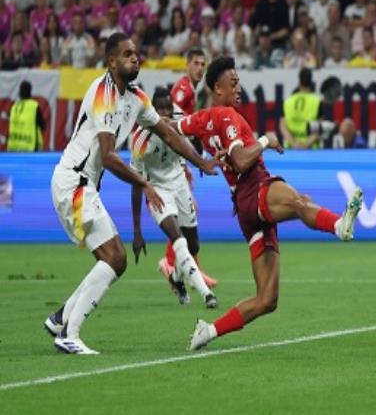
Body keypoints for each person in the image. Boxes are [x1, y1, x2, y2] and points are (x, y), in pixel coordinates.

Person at [43, 33, 217, 355]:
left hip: (84, 184)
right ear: (111, 61)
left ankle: (60, 319)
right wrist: (145, 184)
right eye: (126, 54)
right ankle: (70, 333)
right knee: (116, 258)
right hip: (73, 182)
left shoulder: (136, 97)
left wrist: (200, 162)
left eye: (135, 53)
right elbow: (109, 156)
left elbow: (168, 133)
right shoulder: (103, 93)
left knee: (109, 259)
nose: (135, 58)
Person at [181, 56, 363, 350]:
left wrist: (146, 121)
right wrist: (265, 140)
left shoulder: (201, 119)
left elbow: (171, 126)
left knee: (267, 299)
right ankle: (339, 226)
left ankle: (209, 331)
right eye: (233, 83)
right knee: (299, 201)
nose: (239, 88)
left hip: (245, 210)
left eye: (239, 82)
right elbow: (241, 161)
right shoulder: (227, 116)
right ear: (217, 89)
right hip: (253, 188)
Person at [130, 89, 218, 308]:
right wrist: (137, 230)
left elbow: (194, 138)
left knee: (193, 245)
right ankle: (206, 294)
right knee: (178, 239)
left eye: (168, 108)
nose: (165, 113)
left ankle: (176, 278)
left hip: (179, 185)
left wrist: (199, 155)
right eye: (160, 108)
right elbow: (136, 184)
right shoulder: (140, 140)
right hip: (157, 191)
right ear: (151, 110)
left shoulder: (179, 120)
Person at [279, 68, 322, 149]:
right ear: (311, 82)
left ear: (299, 82)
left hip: (290, 149)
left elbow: (283, 126)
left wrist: (294, 144)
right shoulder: (317, 102)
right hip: (311, 149)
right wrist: (305, 145)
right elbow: (319, 128)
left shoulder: (288, 101)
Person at [7, 81, 46, 152]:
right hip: (30, 149)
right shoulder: (34, 106)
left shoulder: (14, 107)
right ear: (30, 92)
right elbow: (43, 126)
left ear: (19, 93)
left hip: (13, 149)